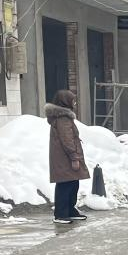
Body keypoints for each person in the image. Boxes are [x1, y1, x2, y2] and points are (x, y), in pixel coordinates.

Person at [45, 89, 89, 225]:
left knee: (72, 182)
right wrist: (74, 157)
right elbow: (67, 139)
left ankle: (70, 210)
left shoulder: (64, 117)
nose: (74, 103)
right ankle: (61, 214)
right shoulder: (63, 118)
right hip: (65, 158)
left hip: (66, 157)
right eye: (72, 100)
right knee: (65, 184)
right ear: (65, 101)